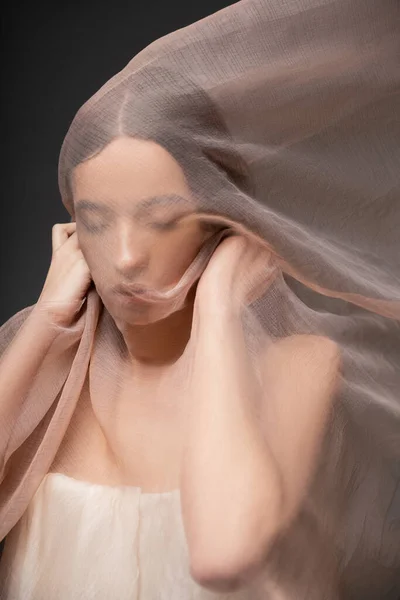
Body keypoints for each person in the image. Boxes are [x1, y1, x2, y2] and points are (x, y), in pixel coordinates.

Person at [1, 0, 399, 598]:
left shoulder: (298, 364)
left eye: (161, 220)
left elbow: (223, 555)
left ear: (221, 220)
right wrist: (47, 323)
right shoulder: (36, 361)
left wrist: (217, 307)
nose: (127, 256)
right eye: (96, 220)